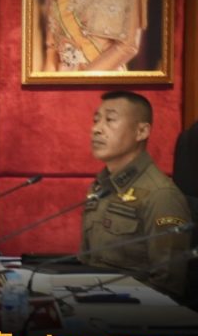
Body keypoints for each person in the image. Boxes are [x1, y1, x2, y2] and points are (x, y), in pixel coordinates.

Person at [81, 90, 191, 299]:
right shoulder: (100, 187)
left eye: (110, 120)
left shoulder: (161, 196)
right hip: (91, 300)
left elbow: (167, 288)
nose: (96, 129)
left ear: (141, 131)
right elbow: (87, 263)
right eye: (96, 120)